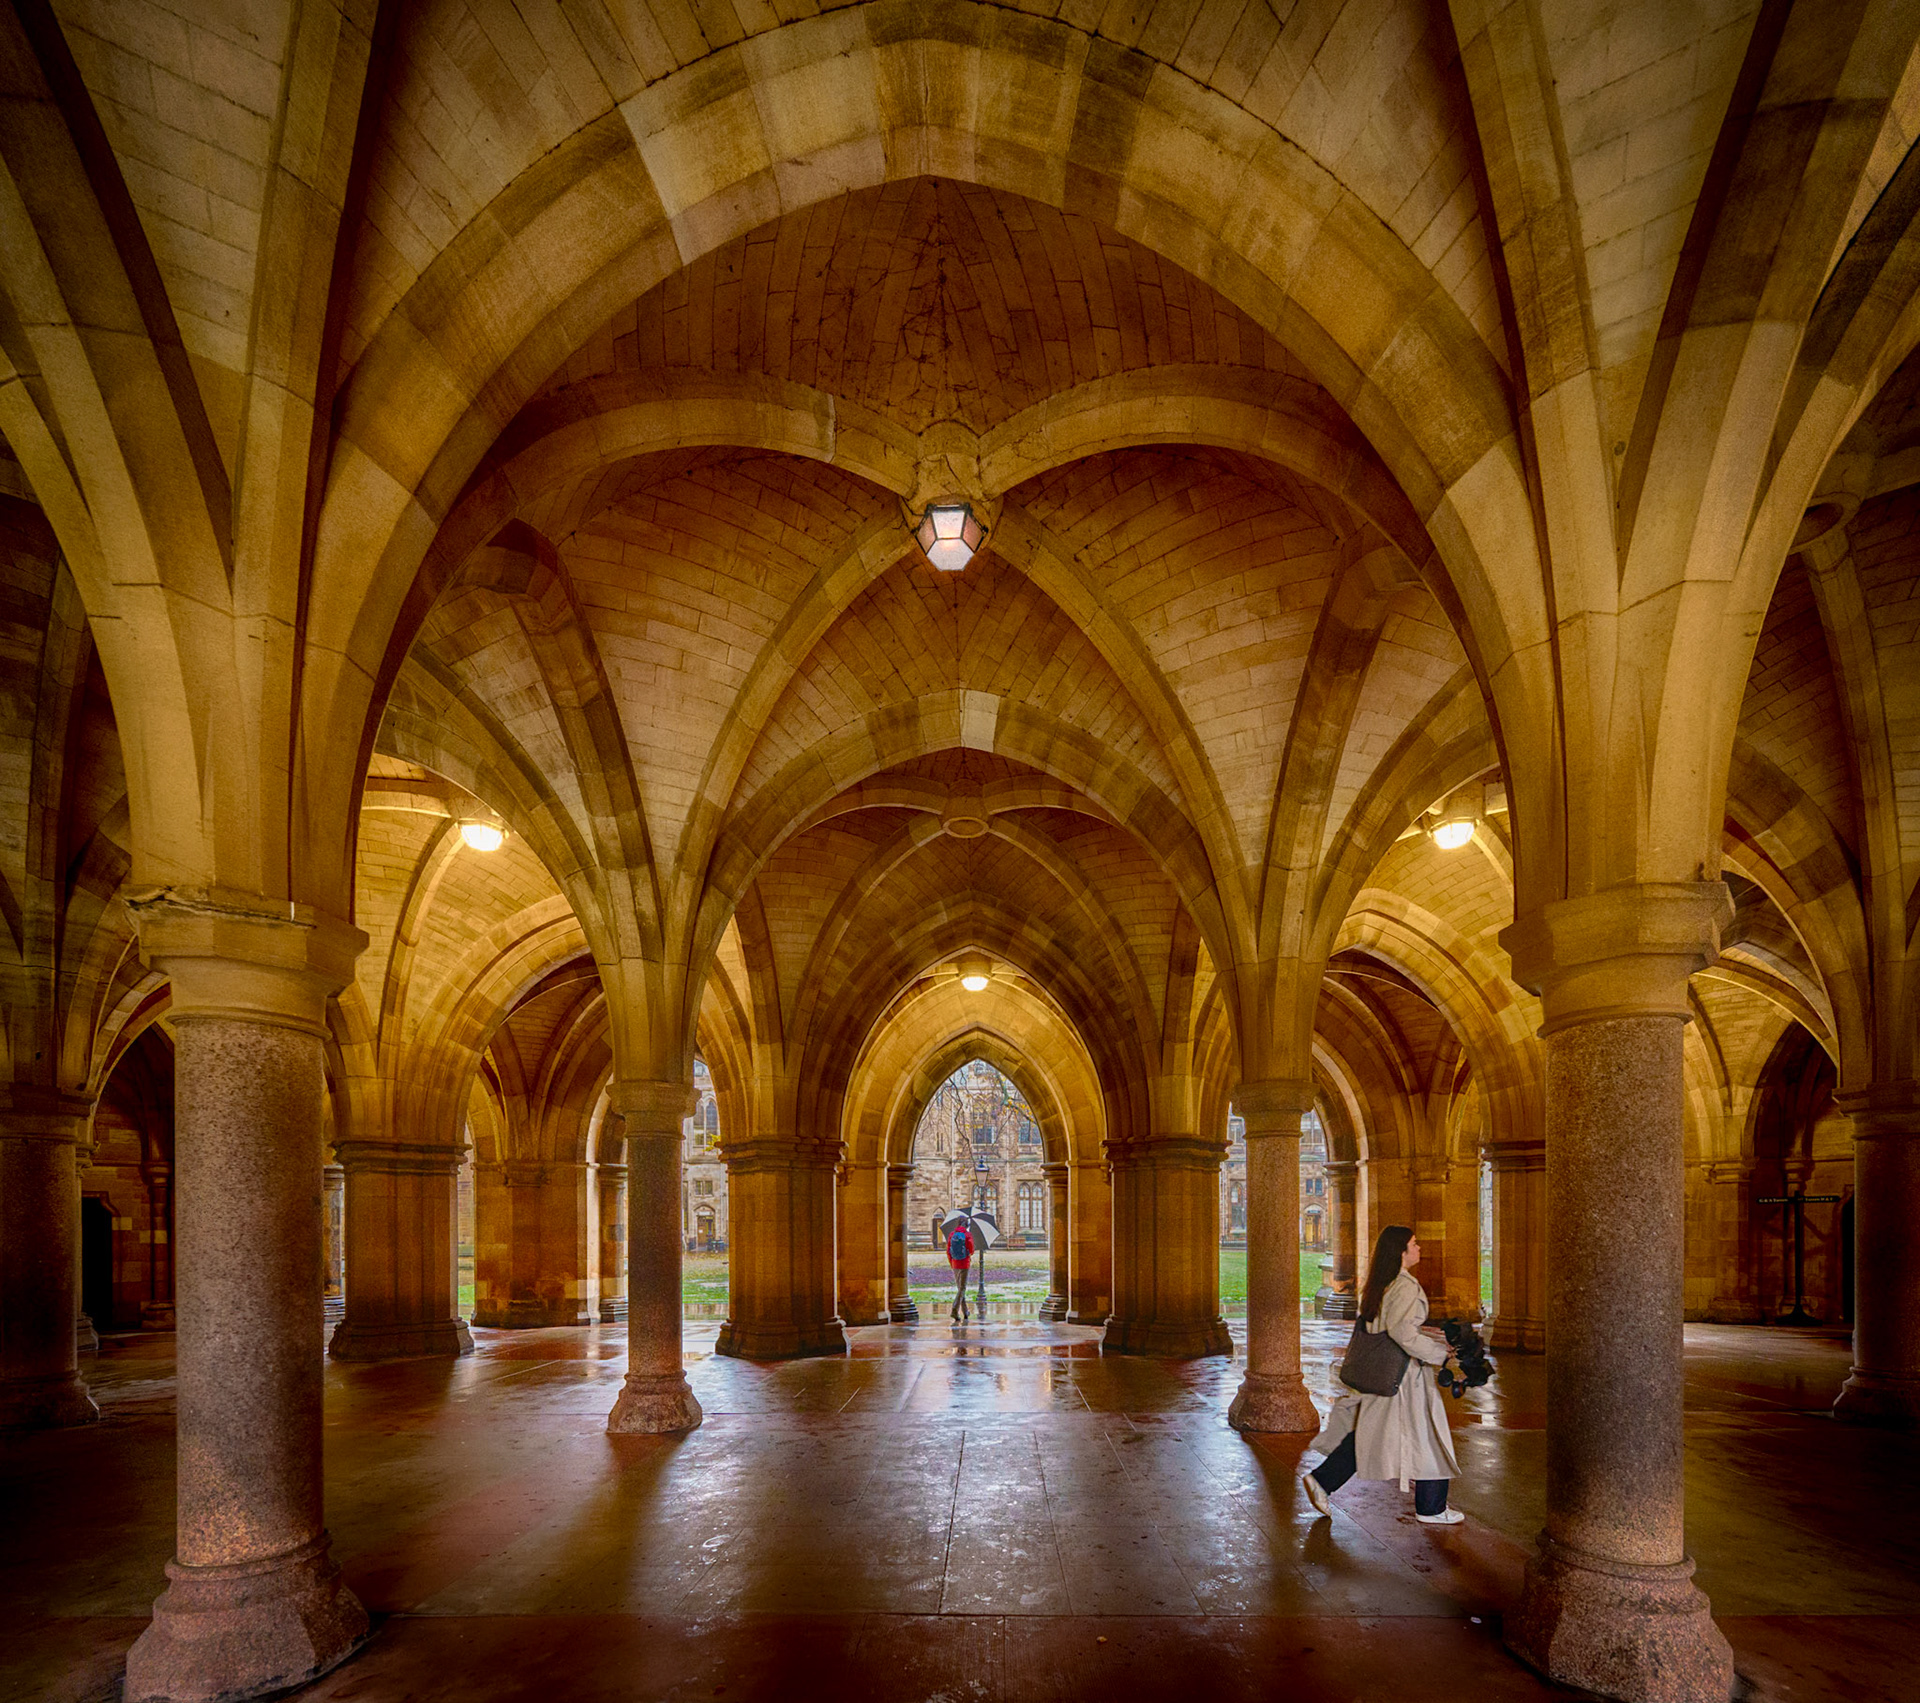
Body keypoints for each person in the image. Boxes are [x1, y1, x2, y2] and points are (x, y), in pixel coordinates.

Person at [1302, 1223, 1464, 1525]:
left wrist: (1432, 1343)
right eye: (1414, 1244)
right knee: (1428, 1437)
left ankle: (1322, 1480)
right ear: (1400, 1251)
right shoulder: (1403, 1286)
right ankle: (1431, 1508)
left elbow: (1391, 1327)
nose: (1419, 1249)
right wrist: (1439, 1354)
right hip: (1401, 1380)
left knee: (1368, 1436)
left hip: (1387, 1376)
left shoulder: (1383, 1283)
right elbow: (1402, 1332)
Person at [945, 1216, 975, 1322]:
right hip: (964, 1264)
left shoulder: (952, 1234)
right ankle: (954, 1310)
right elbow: (971, 1250)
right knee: (962, 1289)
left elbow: (948, 1250)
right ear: (966, 1225)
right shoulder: (967, 1235)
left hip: (955, 1264)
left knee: (960, 1289)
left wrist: (951, 1262)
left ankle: (965, 1311)